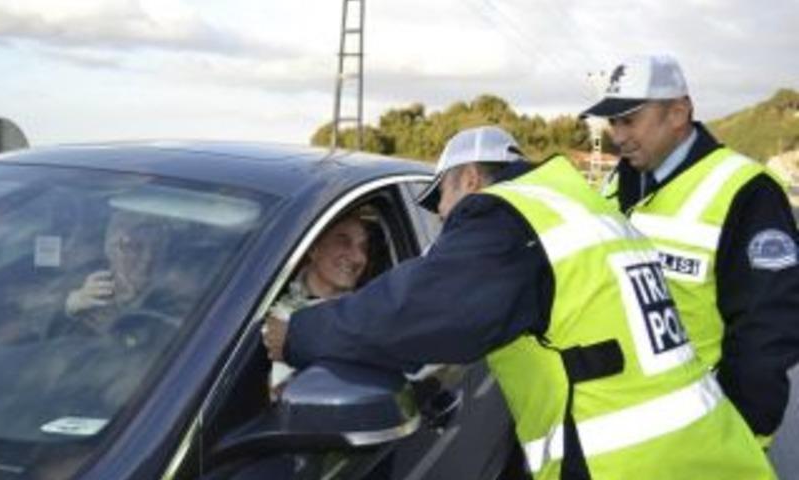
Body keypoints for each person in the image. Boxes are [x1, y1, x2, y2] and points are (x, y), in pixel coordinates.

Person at [263, 125, 775, 479]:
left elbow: (422, 311)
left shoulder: (509, 219)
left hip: (627, 462)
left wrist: (300, 335)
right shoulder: (573, 206)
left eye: (439, 201)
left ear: (468, 178)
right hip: (696, 446)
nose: (441, 218)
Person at [580, 54, 799, 445]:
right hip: (621, 431)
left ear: (678, 112)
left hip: (702, 439)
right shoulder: (617, 182)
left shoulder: (746, 190)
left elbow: (768, 327)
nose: (618, 134)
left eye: (629, 119)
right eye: (613, 121)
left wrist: (737, 435)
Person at [267, 211, 370, 390]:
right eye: (343, 241)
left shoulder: (368, 318)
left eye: (363, 248)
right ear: (314, 248)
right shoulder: (262, 300)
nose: (358, 258)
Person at [64, 209, 169, 338]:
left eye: (156, 247)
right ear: (112, 250)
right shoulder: (85, 286)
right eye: (135, 247)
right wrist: (73, 308)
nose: (148, 257)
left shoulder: (170, 295)